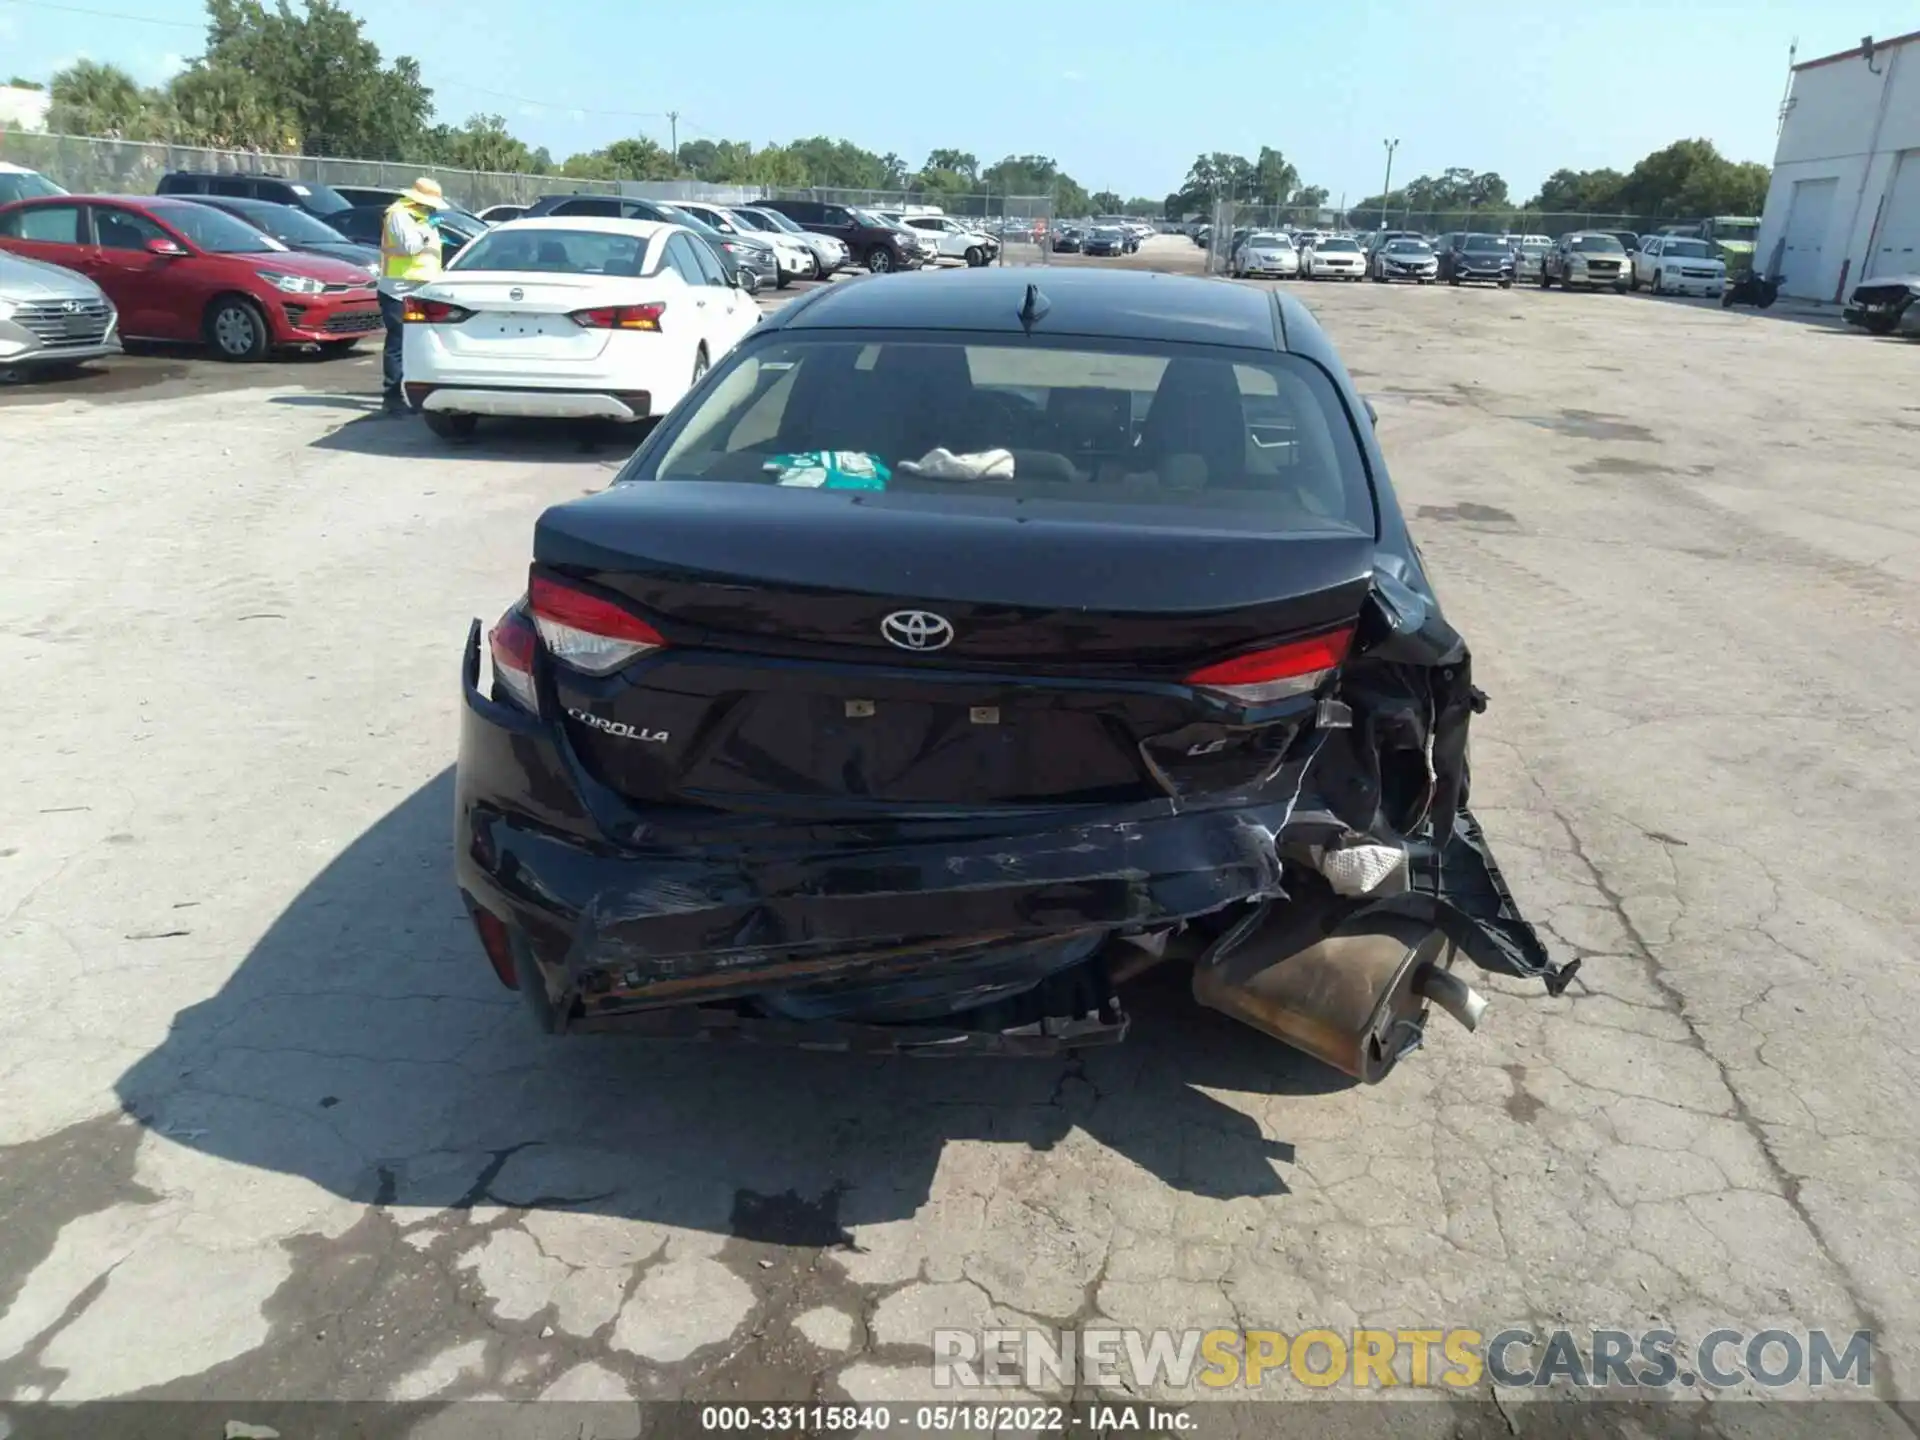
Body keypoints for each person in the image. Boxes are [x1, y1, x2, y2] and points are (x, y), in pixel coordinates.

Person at [376, 176, 447, 417]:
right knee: (398, 343)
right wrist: (427, 229)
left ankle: (410, 393)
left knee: (416, 344)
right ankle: (392, 397)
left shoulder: (420, 217)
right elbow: (409, 247)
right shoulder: (399, 214)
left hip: (421, 290)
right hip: (398, 290)